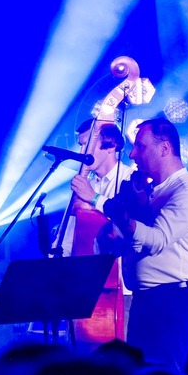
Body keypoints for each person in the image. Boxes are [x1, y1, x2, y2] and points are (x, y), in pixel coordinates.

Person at [100, 115, 188, 371]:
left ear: (164, 148)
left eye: (140, 146)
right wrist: (114, 236)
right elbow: (133, 245)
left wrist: (121, 217)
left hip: (173, 304)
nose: (132, 155)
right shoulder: (151, 193)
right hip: (147, 303)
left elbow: (157, 240)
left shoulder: (187, 192)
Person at [56, 119, 132, 347]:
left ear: (110, 146)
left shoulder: (130, 180)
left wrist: (92, 201)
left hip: (118, 290)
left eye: (86, 145)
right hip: (83, 288)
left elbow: (127, 229)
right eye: (80, 145)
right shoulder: (84, 184)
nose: (81, 152)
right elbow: (68, 238)